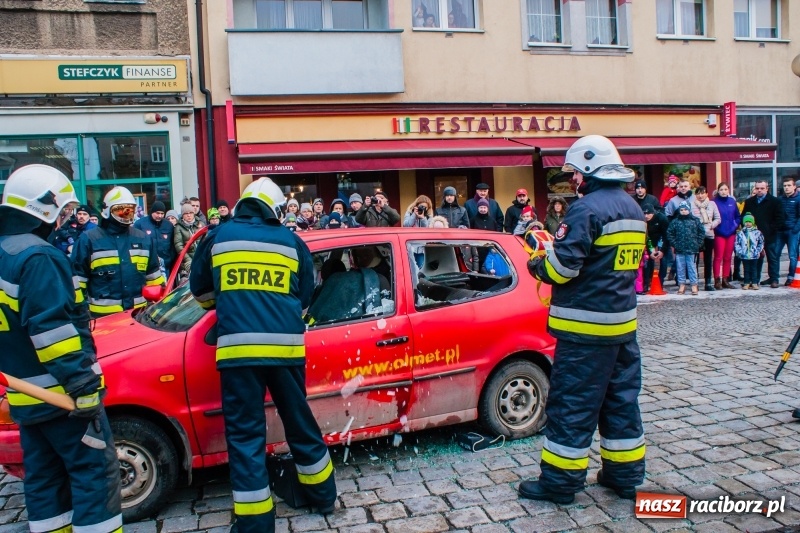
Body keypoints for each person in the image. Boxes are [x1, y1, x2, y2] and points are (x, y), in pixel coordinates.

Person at [189, 178, 336, 533]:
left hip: (238, 354)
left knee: (245, 435)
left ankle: (255, 523)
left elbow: (202, 293)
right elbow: (304, 296)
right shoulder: (291, 241)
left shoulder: (217, 237)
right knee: (299, 422)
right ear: (274, 208)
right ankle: (323, 496)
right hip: (286, 351)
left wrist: (233, 302)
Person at [523, 135, 646, 504]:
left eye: (575, 172)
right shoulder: (632, 207)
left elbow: (563, 268)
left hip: (584, 333)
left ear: (590, 169)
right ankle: (623, 477)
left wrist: (538, 264)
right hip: (622, 328)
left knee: (573, 405)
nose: (573, 180)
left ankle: (559, 484)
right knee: (621, 402)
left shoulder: (586, 209)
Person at [0, 165, 122, 533]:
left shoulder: (4, 252)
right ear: (45, 208)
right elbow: (52, 331)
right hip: (62, 397)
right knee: (95, 475)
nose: (64, 220)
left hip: (26, 395)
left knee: (44, 480)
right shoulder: (38, 257)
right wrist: (83, 386)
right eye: (63, 211)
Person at [72, 186, 164, 317]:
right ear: (108, 211)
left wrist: (158, 313)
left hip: (138, 317)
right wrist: (80, 315)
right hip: (102, 319)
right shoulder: (89, 240)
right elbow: (77, 282)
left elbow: (154, 280)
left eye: (130, 211)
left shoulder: (143, 239)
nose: (126, 215)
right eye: (121, 211)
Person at [742, 180, 784, 288]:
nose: (759, 190)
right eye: (757, 188)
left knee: (772, 257)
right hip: (754, 236)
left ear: (767, 188)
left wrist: (771, 229)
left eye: (762, 188)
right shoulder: (750, 201)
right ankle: (755, 280)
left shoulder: (775, 201)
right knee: (756, 258)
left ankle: (774, 279)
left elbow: (780, 218)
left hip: (770, 235)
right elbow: (744, 217)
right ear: (754, 189)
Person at [667, 201, 706, 295]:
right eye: (681, 210)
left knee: (692, 267)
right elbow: (669, 233)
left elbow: (701, 232)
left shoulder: (695, 220)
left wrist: (698, 243)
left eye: (685, 209)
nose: (683, 211)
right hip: (679, 249)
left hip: (692, 249)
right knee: (680, 267)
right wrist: (674, 244)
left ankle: (694, 284)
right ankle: (681, 284)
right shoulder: (675, 222)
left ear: (689, 210)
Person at [134, 200, 175, 275]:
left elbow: (172, 246)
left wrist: (170, 260)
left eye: (162, 213)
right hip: (147, 267)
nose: (160, 216)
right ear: (152, 212)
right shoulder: (140, 224)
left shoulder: (168, 225)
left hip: (165, 266)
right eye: (157, 213)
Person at [691, 186, 720, 291]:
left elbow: (718, 218)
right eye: (698, 193)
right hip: (696, 236)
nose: (700, 195)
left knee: (708, 259)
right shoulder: (692, 205)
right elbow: (689, 219)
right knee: (695, 260)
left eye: (703, 193)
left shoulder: (712, 204)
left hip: (709, 234)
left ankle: (708, 282)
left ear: (707, 194)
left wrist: (712, 225)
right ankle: (695, 282)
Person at [712, 183, 740, 289]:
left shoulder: (732, 202)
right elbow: (712, 218)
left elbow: (737, 216)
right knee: (718, 257)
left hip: (731, 233)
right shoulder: (714, 202)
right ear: (718, 191)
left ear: (728, 190)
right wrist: (716, 229)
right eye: (721, 189)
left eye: (725, 189)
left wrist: (735, 225)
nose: (723, 191)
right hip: (719, 233)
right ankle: (717, 280)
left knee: (728, 257)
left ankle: (725, 279)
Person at [777, 176, 800, 285]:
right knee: (775, 254)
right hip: (781, 231)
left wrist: (795, 229)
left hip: (792, 231)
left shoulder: (798, 199)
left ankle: (791, 276)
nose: (786, 188)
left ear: (794, 186)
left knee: (792, 255)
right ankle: (774, 277)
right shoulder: (780, 199)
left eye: (789, 185)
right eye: (785, 186)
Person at [174, 202, 205, 277]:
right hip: (188, 260)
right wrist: (188, 260)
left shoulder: (201, 224)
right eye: (186, 213)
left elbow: (206, 240)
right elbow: (179, 246)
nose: (189, 215)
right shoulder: (178, 227)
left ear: (194, 213)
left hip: (201, 258)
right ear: (182, 215)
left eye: (191, 213)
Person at [642, 205, 668, 293]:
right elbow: (646, 237)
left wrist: (662, 250)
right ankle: (647, 282)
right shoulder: (642, 220)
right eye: (644, 214)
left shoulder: (662, 218)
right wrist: (651, 251)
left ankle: (661, 282)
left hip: (662, 238)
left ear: (653, 213)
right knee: (648, 260)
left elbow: (666, 236)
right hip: (649, 240)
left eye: (648, 214)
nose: (646, 216)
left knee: (663, 260)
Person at [735, 213, 764, 290]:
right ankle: (746, 282)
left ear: (753, 222)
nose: (748, 223)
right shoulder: (741, 233)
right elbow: (737, 243)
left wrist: (758, 251)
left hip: (754, 254)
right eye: (746, 221)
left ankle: (754, 282)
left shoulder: (757, 232)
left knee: (754, 269)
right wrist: (740, 251)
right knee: (746, 269)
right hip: (744, 255)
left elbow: (761, 242)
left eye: (749, 221)